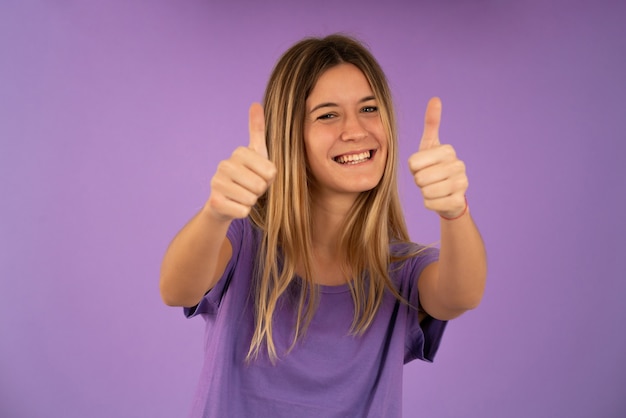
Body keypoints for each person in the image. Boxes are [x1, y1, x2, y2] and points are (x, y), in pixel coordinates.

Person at [160, 34, 487, 418]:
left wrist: (455, 212)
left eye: (369, 108)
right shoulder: (244, 240)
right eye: (328, 115)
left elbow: (460, 295)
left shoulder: (401, 271)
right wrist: (216, 213)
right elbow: (177, 288)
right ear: (290, 135)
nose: (355, 130)